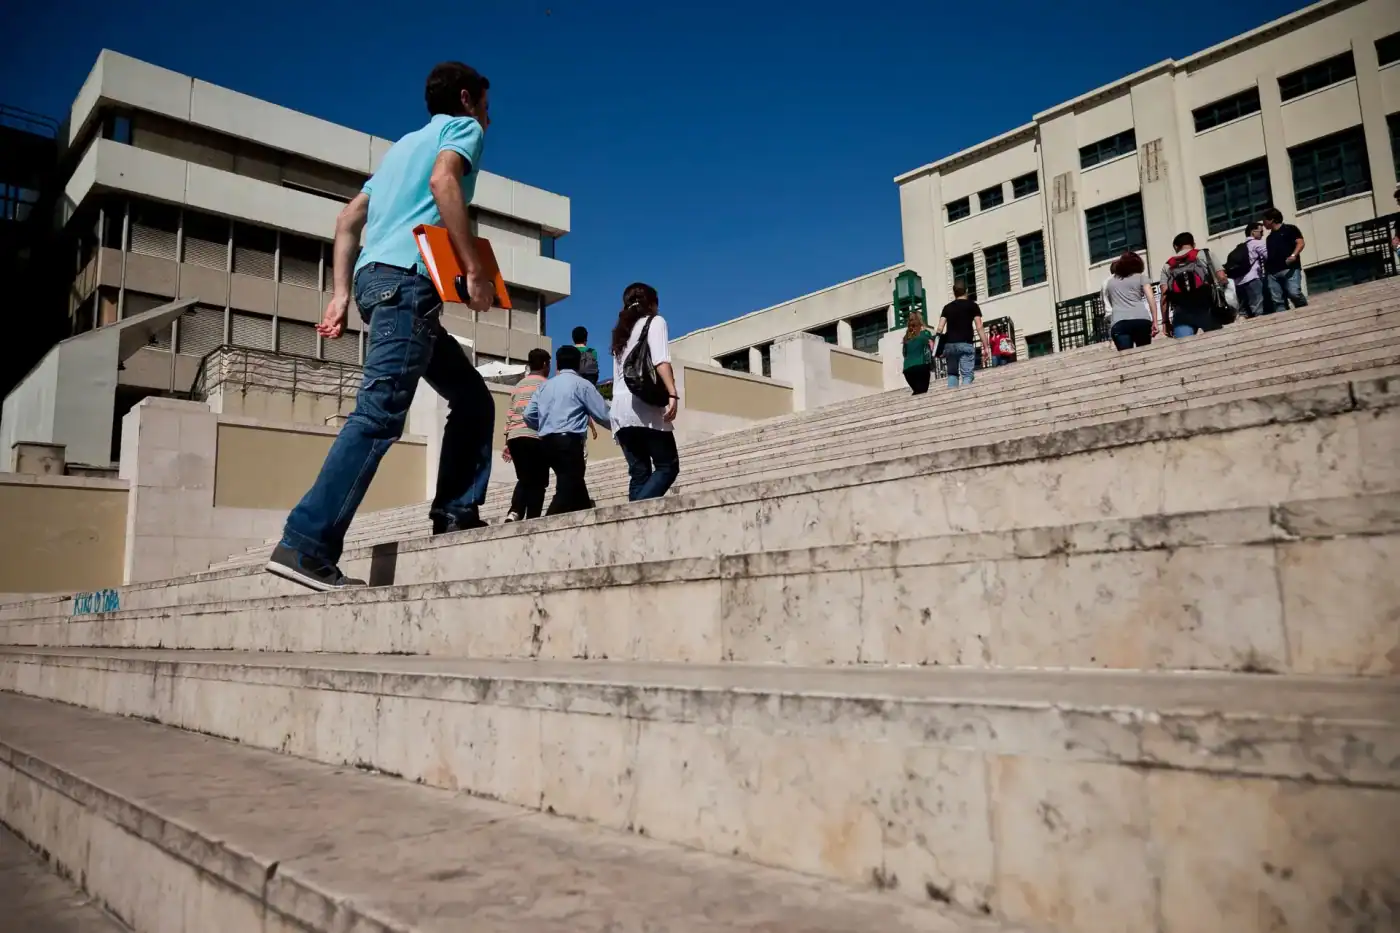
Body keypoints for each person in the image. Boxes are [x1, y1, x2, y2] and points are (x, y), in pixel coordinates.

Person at [267, 62, 496, 591]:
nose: (489, 115)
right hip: (407, 285)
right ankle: (306, 543)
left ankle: (455, 511)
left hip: (377, 284)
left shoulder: (399, 149)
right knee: (378, 415)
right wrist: (476, 271)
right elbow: (444, 182)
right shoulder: (461, 130)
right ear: (467, 99)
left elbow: (348, 219)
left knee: (473, 397)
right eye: (486, 104)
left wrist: (341, 295)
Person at [610, 282, 681, 501]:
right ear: (652, 304)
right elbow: (661, 360)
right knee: (667, 466)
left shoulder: (621, 331)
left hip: (620, 411)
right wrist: (672, 394)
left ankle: (632, 528)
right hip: (644, 405)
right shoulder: (655, 322)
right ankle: (636, 511)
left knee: (639, 473)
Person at [522, 345, 610, 515]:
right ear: (578, 364)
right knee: (568, 486)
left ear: (557, 364)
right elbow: (603, 414)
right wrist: (619, 428)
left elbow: (528, 414)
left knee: (575, 484)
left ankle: (587, 517)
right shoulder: (582, 385)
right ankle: (544, 526)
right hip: (569, 442)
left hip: (545, 442)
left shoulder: (545, 386)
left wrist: (543, 425)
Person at [501, 348, 550, 523]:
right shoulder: (546, 385)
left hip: (515, 437)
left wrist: (507, 442)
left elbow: (510, 414)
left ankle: (515, 512)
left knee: (525, 477)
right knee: (539, 480)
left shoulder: (518, 386)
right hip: (534, 435)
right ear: (545, 364)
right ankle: (530, 516)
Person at [1160, 232, 1223, 339]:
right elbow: (1222, 277)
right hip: (1207, 308)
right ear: (1193, 243)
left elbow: (1164, 295)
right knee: (1218, 341)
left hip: (1181, 314)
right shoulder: (1205, 254)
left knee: (1185, 349)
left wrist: (1165, 321)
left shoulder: (1168, 265)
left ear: (1176, 246)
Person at [1100, 250, 1160, 351]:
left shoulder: (1110, 282)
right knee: (1144, 352)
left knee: (1126, 357)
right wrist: (1155, 321)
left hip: (1119, 322)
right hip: (1141, 320)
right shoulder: (1142, 278)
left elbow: (1111, 303)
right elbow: (1151, 299)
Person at [935, 281, 986, 388]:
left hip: (950, 345)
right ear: (966, 291)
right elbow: (979, 326)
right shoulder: (973, 305)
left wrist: (937, 347)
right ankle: (965, 395)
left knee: (952, 374)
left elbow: (939, 328)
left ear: (954, 293)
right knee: (967, 375)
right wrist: (986, 345)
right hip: (965, 344)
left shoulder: (947, 307)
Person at [1262, 208, 1308, 311]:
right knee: (1278, 301)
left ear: (1272, 220)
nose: (1263, 224)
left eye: (1264, 220)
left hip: (1290, 269)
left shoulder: (1290, 229)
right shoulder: (1269, 238)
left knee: (1294, 293)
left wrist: (1293, 255)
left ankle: (1305, 311)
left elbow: (1300, 243)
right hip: (1273, 273)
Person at [1235, 221, 1269, 318]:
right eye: (1261, 232)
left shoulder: (1240, 246)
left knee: (1244, 312)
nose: (1262, 235)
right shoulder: (1257, 243)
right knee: (1258, 309)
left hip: (1238, 282)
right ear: (1253, 232)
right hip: (1253, 279)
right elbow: (1269, 256)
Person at [900, 310, 936, 394]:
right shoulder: (925, 333)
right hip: (921, 365)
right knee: (922, 391)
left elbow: (904, 353)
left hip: (907, 369)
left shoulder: (906, 336)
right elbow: (932, 347)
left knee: (917, 391)